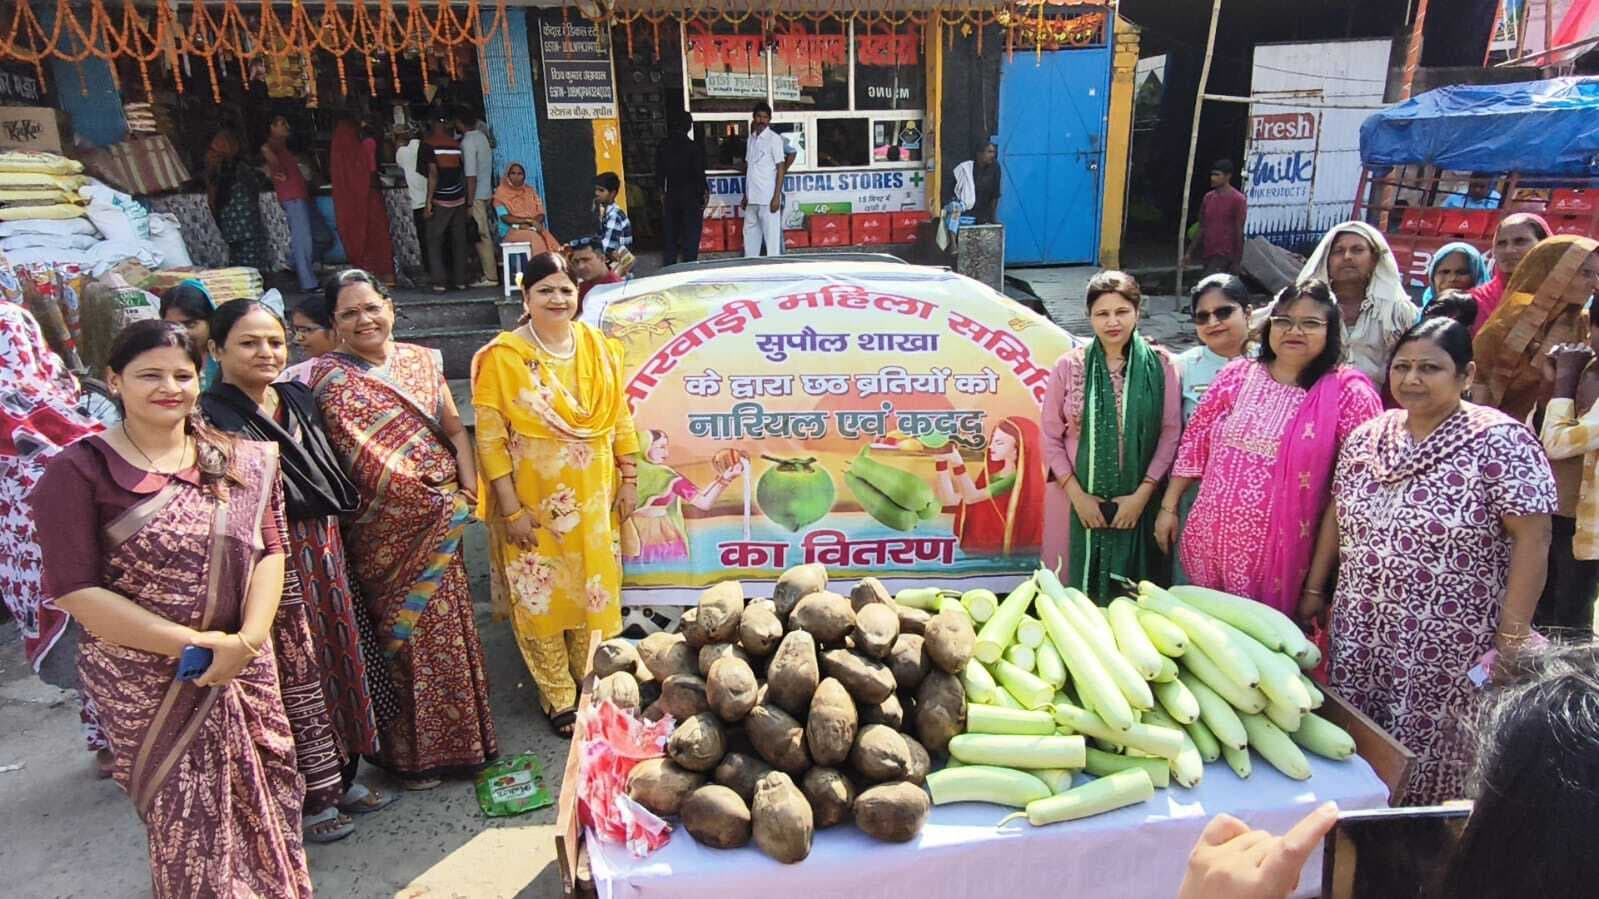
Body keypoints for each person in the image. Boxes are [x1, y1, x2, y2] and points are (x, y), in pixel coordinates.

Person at [30, 319, 313, 897]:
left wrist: (246, 642)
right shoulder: (77, 472)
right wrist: (195, 645)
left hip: (243, 664)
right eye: (148, 375)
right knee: (191, 822)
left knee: (271, 797)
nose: (170, 387)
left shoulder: (244, 460)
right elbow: (76, 592)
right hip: (152, 676)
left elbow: (271, 552)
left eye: (183, 375)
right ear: (114, 381)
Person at [1304, 317, 1557, 804]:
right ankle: (1361, 841)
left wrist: (1511, 638)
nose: (1412, 379)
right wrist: (1316, 588)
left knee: (1436, 751)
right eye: (1402, 367)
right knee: (1360, 741)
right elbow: (1337, 510)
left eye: (1430, 368)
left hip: (1448, 638)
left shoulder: (1498, 441)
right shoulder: (1369, 437)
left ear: (1466, 375)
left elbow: (1534, 537)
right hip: (1364, 627)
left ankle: (1426, 852)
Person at [202, 300, 394, 840]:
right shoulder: (212, 416)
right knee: (293, 675)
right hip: (267, 558)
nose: (266, 352)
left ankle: (344, 772)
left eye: (274, 341)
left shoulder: (297, 397)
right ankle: (309, 796)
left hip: (326, 549)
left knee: (339, 657)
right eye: (248, 342)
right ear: (216, 351)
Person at [310, 269, 497, 787]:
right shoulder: (326, 380)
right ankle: (410, 759)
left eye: (371, 307)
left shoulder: (421, 360)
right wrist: (423, 502)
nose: (364, 319)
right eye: (348, 313)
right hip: (380, 533)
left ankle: (466, 747)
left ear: (390, 307)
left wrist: (467, 491)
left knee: (452, 634)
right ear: (334, 324)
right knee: (401, 644)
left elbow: (456, 431)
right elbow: (351, 461)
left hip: (443, 520)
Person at [470, 252, 640, 736]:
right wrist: (511, 509)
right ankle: (558, 696)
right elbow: (489, 440)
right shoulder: (502, 358)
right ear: (525, 297)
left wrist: (629, 479)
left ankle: (587, 683)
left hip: (594, 500)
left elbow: (619, 418)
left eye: (566, 289)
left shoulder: (599, 348)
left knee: (591, 591)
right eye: (546, 290)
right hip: (532, 503)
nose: (558, 298)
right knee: (540, 599)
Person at [1158, 280, 1382, 611]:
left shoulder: (1350, 396)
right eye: (1284, 320)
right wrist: (1169, 506)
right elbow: (1195, 443)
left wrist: (1316, 588)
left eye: (1310, 323)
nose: (1295, 330)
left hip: (1283, 563)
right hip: (1208, 546)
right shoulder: (1237, 375)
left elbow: (1348, 497)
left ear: (1331, 330)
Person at [0, 302, 108, 774]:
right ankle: (115, 733)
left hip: (32, 528)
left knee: (92, 625)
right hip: (45, 523)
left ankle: (111, 735)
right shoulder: (58, 413)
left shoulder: (9, 323)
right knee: (96, 626)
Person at [1041, 271, 1181, 599]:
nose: (1112, 322)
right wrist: (1078, 496)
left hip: (1137, 500)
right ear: (1089, 317)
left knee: (1132, 600)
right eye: (1102, 314)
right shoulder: (1068, 366)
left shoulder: (1161, 365)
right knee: (1069, 592)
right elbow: (1049, 436)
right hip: (1072, 499)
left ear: (1137, 311)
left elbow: (1170, 432)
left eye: (1121, 312)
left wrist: (1141, 497)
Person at [1166, 274, 1256, 585]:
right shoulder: (1181, 367)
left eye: (1223, 312)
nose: (1213, 322)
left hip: (1254, 501)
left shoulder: (1275, 363)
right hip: (1195, 497)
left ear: (1248, 313)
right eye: (1202, 317)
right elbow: (1170, 435)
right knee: (1193, 588)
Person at [1274, 221, 1418, 392]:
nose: (1347, 257)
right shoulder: (1301, 306)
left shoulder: (1396, 311)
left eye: (1357, 250)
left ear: (1374, 260)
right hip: (1310, 400)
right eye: (1338, 251)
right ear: (1327, 261)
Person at [1472, 235, 1599, 421]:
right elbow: (1478, 387)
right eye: (1586, 273)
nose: (1596, 284)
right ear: (1556, 272)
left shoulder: (1584, 325)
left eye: (1598, 275)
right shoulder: (1505, 324)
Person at [623, 430, 746, 563]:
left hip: (628, 540)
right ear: (645, 446)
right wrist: (725, 479)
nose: (666, 453)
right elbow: (704, 502)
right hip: (661, 539)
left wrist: (724, 478)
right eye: (661, 447)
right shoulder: (666, 476)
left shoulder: (621, 474)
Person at [935, 416, 1046, 558]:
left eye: (999, 443)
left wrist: (958, 464)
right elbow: (949, 500)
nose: (991, 447)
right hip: (985, 550)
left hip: (998, 552)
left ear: (1018, 449)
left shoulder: (1014, 480)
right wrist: (941, 464)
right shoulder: (991, 476)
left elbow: (972, 497)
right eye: (992, 440)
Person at [330, 118, 396, 286]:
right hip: (371, 195)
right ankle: (386, 275)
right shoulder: (364, 144)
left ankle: (367, 276)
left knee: (361, 235)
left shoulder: (340, 151)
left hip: (353, 201)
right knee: (378, 235)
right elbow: (371, 171)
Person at [262, 114, 319, 293]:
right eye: (282, 124)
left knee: (319, 237)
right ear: (272, 127)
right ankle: (308, 283)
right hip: (292, 196)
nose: (286, 127)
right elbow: (270, 157)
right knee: (303, 240)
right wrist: (278, 170)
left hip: (300, 195)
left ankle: (293, 263)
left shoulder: (284, 146)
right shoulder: (270, 146)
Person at [204, 128, 269, 271]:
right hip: (246, 224)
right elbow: (254, 185)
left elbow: (212, 197)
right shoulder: (240, 167)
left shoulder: (213, 165)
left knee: (238, 261)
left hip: (228, 224)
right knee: (253, 262)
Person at [419, 113, 470, 293]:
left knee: (434, 239)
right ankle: (461, 281)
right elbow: (461, 172)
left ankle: (439, 282)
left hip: (441, 198)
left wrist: (428, 203)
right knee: (459, 240)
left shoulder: (428, 144)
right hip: (458, 197)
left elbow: (432, 174)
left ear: (431, 124)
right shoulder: (455, 145)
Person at [1470, 212, 1551, 323]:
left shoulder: (1567, 296)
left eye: (1520, 241)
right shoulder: (1476, 301)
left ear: (1545, 244)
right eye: (1501, 243)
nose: (1509, 250)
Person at [740, 100, 796, 257]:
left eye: (765, 117)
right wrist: (745, 195)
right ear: (753, 118)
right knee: (750, 239)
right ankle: (751, 272)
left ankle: (774, 274)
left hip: (768, 198)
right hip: (752, 199)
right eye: (758, 116)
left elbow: (780, 167)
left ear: (769, 120)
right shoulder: (751, 139)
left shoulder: (774, 139)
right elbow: (749, 167)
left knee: (772, 243)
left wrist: (776, 197)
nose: (761, 120)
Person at [656, 109, 708, 266]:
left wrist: (662, 194)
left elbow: (659, 174)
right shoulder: (693, 147)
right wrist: (704, 193)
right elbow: (699, 174)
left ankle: (669, 269)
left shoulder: (663, 146)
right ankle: (689, 268)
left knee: (670, 237)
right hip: (691, 197)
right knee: (690, 237)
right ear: (688, 126)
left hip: (671, 195)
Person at [457, 110, 497, 288]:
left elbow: (470, 177)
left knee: (481, 236)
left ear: (459, 122)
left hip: (477, 195)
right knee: (483, 234)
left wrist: (469, 202)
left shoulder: (468, 142)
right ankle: (489, 274)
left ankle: (491, 276)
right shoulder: (482, 138)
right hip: (485, 192)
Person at [1186, 159, 1247, 275]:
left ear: (1228, 176)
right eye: (1212, 175)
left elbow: (1239, 230)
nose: (1213, 178)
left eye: (1217, 175)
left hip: (1225, 253)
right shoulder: (1208, 198)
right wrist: (1189, 252)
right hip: (1208, 251)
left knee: (1209, 286)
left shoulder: (1238, 200)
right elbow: (1202, 227)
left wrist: (1237, 261)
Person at [159, 279, 221, 390]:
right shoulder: (157, 358)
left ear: (210, 320)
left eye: (190, 324)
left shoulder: (227, 357)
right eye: (172, 325)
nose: (181, 332)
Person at [494, 162, 561, 258]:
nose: (516, 177)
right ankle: (542, 268)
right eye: (513, 173)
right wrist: (528, 221)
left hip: (532, 228)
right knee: (534, 238)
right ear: (507, 175)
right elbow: (505, 217)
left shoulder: (530, 191)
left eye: (519, 174)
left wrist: (532, 224)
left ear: (524, 176)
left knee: (547, 239)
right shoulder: (500, 194)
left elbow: (541, 213)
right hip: (511, 231)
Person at [283, 293, 340, 385]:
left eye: (306, 330)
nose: (298, 338)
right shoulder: (293, 376)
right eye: (296, 330)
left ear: (335, 327)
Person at [1418, 240, 1488, 313]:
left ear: (1477, 276)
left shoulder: (1492, 319)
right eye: (1445, 272)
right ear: (1433, 277)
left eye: (1462, 272)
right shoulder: (1416, 319)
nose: (1452, 278)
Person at [953, 142, 1002, 226]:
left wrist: (992, 218)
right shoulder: (968, 168)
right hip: (967, 213)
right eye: (989, 152)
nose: (993, 155)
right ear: (979, 154)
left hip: (984, 213)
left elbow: (995, 194)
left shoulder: (995, 168)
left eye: (994, 152)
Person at [395, 125, 429, 242]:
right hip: (435, 201)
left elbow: (399, 162)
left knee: (424, 240)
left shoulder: (402, 152)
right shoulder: (428, 148)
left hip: (418, 203)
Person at [594, 172, 634, 270]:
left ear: (612, 193)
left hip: (618, 269)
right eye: (595, 189)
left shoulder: (614, 215)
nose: (596, 193)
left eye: (601, 190)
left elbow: (606, 247)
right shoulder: (606, 212)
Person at [568, 235, 621, 308]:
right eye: (576, 261)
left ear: (602, 258)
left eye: (586, 260)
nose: (580, 266)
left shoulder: (614, 289)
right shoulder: (582, 285)